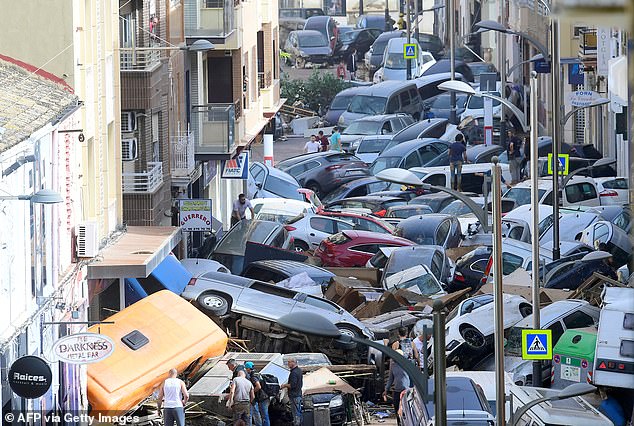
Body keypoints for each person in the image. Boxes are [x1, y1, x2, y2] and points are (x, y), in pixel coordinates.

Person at [382, 350, 409, 425]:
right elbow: (391, 379)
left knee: (405, 411)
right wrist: (386, 389)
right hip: (397, 391)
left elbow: (412, 378)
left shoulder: (407, 365)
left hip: (406, 391)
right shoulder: (393, 366)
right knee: (397, 409)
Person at [245, 362, 270, 426]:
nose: (245, 370)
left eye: (246, 368)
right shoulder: (258, 373)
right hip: (265, 396)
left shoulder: (253, 376)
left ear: (248, 368)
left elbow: (258, 386)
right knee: (263, 414)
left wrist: (252, 392)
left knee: (264, 415)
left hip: (262, 397)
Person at [281, 357, 303, 426]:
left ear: (293, 362)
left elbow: (292, 385)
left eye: (289, 362)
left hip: (294, 395)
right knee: (298, 411)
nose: (288, 364)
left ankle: (297, 424)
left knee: (296, 412)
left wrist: (284, 385)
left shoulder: (294, 373)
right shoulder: (299, 370)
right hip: (298, 394)